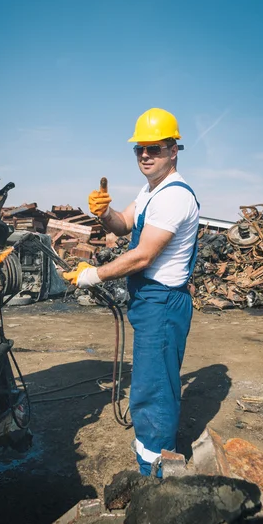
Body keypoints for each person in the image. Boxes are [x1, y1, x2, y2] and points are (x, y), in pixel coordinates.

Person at [64, 108, 200, 476]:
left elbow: (141, 256)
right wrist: (104, 212)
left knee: (155, 389)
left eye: (154, 148)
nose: (145, 155)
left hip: (163, 303)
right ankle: (150, 452)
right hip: (150, 301)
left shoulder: (174, 196)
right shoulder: (150, 190)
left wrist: (93, 275)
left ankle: (156, 471)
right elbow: (123, 225)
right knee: (147, 381)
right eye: (140, 148)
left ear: (174, 150)